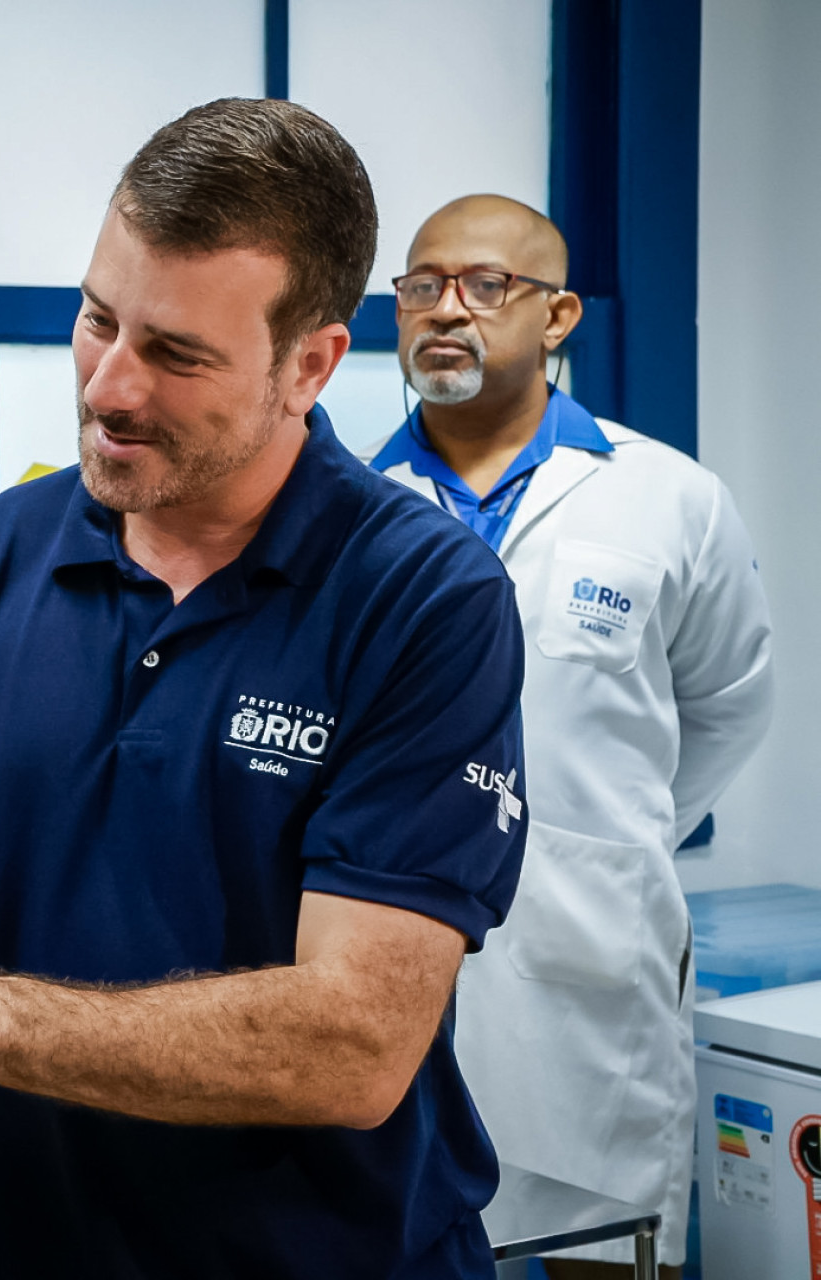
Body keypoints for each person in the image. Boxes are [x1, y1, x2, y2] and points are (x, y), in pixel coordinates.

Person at [0, 98, 532, 1278]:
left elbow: (353, 1045)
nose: (108, 387)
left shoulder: (419, 599)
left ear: (309, 363)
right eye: (97, 319)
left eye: (175, 353)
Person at [367, 194, 773, 1279]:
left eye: (486, 285)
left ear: (559, 317)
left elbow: (731, 701)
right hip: (394, 958)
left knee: (606, 1242)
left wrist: (605, 838)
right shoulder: (352, 507)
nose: (445, 310)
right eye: (421, 285)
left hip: (591, 950)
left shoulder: (670, 498)